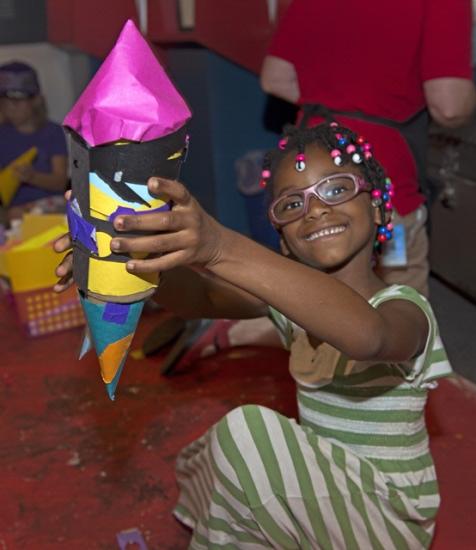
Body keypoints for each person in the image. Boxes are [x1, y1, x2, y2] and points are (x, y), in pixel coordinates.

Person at [55, 122, 452, 548]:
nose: (314, 210)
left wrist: (221, 246)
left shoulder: (406, 309)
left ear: (378, 208)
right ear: (282, 241)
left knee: (246, 434)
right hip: (327, 499)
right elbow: (203, 297)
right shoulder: (292, 307)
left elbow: (368, 337)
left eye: (335, 190)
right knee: (205, 457)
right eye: (292, 204)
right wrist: (130, 263)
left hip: (388, 525)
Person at [260, 0, 476, 297]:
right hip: (381, 181)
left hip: (307, 177)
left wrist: (338, 102)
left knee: (314, 300)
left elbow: (276, 77)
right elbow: (449, 106)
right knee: (399, 297)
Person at [0, 61, 68, 217]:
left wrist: (32, 176)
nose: (10, 107)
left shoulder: (52, 132)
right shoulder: (2, 134)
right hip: (11, 211)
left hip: (50, 204)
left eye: (18, 101)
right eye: (4, 101)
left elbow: (60, 181)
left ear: (36, 100)